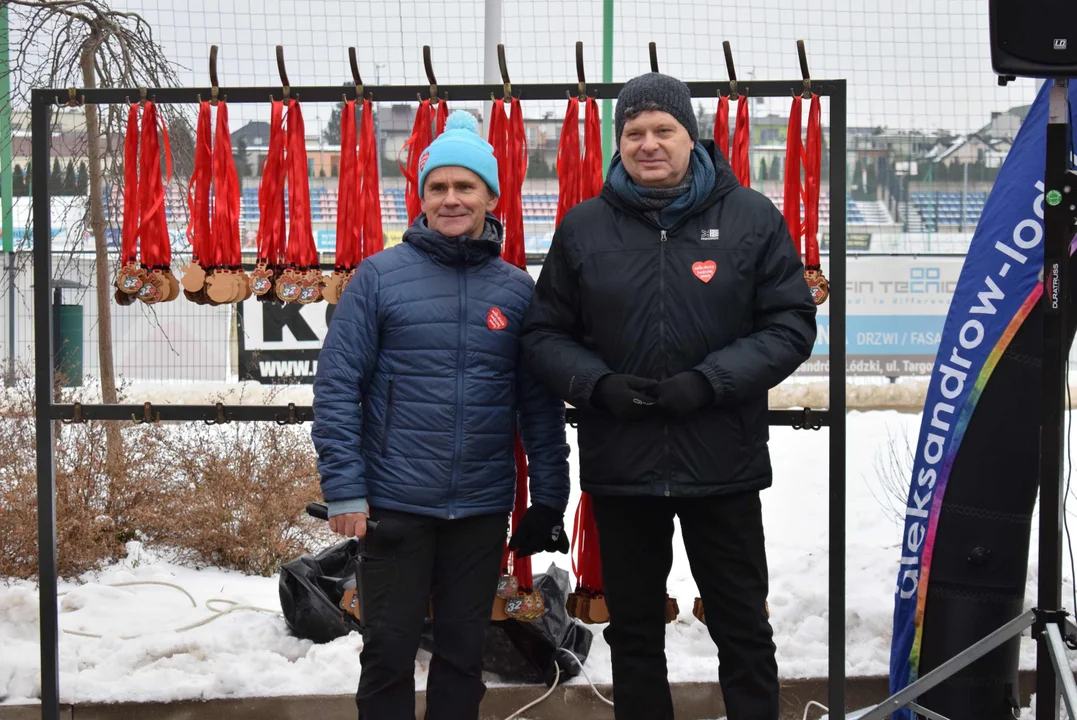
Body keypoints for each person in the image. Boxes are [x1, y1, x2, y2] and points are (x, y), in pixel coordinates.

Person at [520, 72, 818, 720]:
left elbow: (790, 323)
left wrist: (709, 382)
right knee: (633, 635)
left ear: (691, 136)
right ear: (618, 142)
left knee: (741, 628)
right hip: (623, 469)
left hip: (723, 466)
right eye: (634, 133)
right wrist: (597, 385)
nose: (647, 144)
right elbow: (543, 333)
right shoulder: (583, 228)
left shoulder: (750, 217)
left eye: (662, 130)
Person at [312, 110, 571, 720]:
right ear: (422, 197)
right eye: (438, 187)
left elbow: (538, 406)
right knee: (387, 655)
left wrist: (550, 498)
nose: (451, 199)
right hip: (396, 508)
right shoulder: (379, 278)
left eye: (465, 187)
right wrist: (345, 489)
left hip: (479, 511)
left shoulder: (515, 291)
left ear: (490, 196)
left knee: (462, 658)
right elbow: (337, 387)